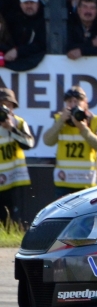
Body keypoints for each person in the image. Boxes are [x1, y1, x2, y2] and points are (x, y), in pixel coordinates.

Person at [42, 86, 97, 197]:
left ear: (85, 103)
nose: (73, 105)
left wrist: (83, 129)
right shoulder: (60, 119)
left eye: (76, 101)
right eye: (69, 102)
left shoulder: (95, 121)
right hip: (63, 182)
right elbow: (47, 141)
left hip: (87, 184)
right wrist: (61, 121)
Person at [0, 87, 35, 223]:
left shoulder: (19, 122)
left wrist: (12, 128)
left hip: (16, 179)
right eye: (1, 104)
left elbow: (29, 143)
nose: (4, 108)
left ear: (13, 108)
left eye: (8, 105)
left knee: (16, 220)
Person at [6, 0, 46, 72]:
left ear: (38, 4)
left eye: (32, 2)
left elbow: (41, 45)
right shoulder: (13, 21)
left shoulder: (44, 22)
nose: (29, 6)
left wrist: (18, 51)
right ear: (20, 5)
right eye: (26, 3)